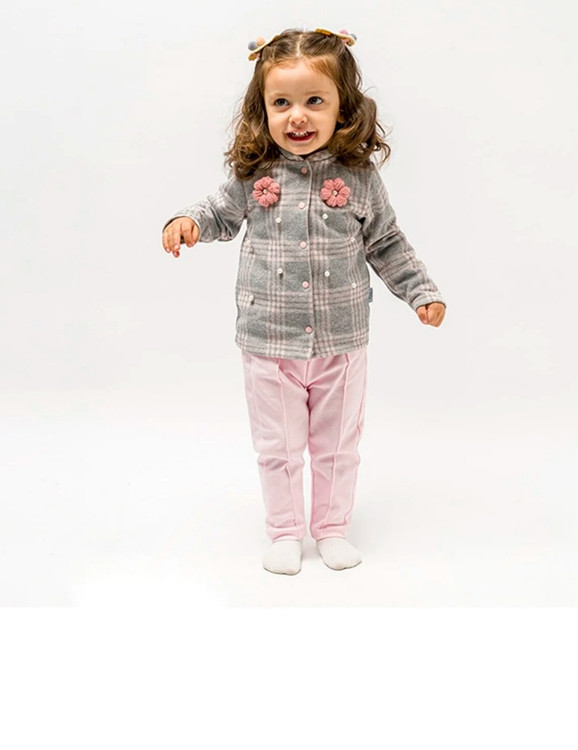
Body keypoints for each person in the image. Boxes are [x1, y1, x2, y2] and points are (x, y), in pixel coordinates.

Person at [161, 27, 446, 576]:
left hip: (341, 341)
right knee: (278, 445)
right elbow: (218, 212)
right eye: (282, 103)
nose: (297, 116)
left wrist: (420, 292)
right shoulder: (254, 174)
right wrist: (188, 221)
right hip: (269, 340)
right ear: (262, 108)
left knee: (338, 445)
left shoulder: (359, 178)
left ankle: (332, 528)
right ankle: (286, 532)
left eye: (314, 100)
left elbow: (386, 242)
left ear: (343, 107)